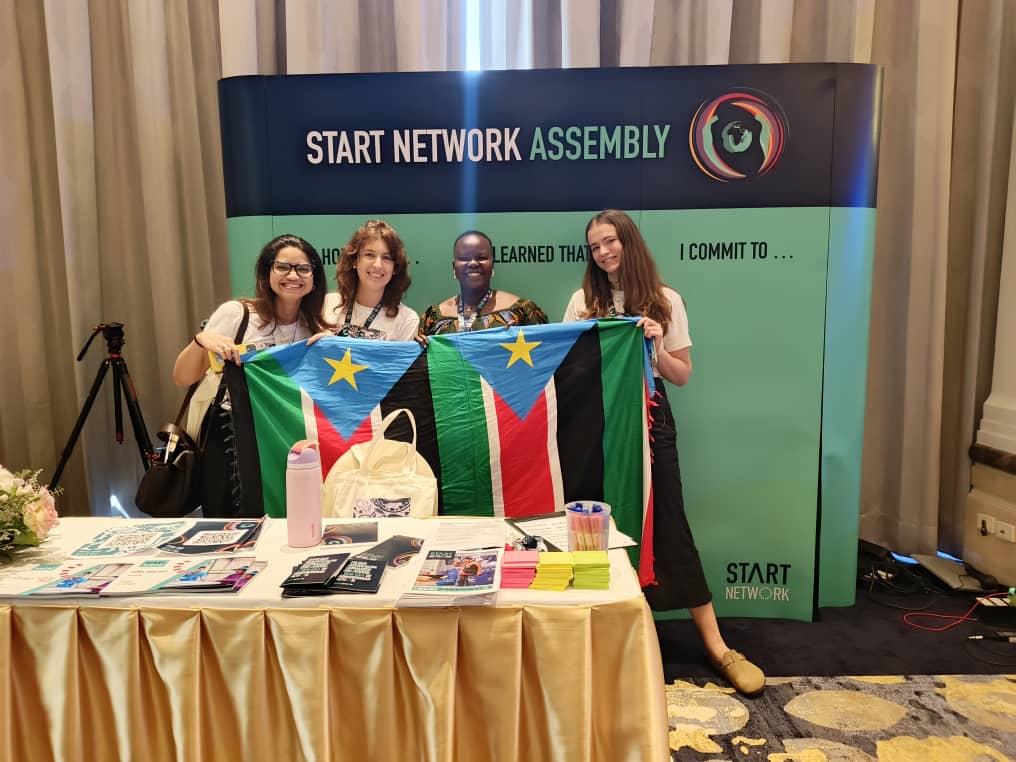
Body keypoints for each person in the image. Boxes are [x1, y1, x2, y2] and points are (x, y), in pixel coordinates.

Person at [562, 210, 765, 696]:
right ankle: (597, 636)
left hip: (651, 419)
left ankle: (717, 646)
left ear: (629, 241)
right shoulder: (581, 301)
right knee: (593, 525)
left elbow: (682, 374)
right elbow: (566, 365)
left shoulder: (665, 299)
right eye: (595, 246)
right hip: (596, 423)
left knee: (669, 520)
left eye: (610, 241)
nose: (603, 252)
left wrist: (654, 343)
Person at [173, 233, 329, 516]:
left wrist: (330, 348)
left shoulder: (315, 327)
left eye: (303, 269)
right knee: (231, 524)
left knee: (287, 515)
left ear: (314, 278)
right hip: (232, 437)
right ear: (267, 272)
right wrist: (200, 341)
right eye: (283, 267)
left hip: (286, 435)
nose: (293, 275)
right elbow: (182, 377)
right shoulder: (238, 314)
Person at [419, 230, 549, 335]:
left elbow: (545, 353)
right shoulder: (434, 318)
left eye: (481, 258)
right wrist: (420, 348)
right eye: (464, 258)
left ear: (492, 265)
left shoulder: (522, 312)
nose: (473, 263)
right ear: (454, 268)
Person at [320, 219, 419, 341]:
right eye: (369, 255)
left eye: (386, 257)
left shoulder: (407, 320)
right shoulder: (327, 305)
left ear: (395, 268)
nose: (378, 265)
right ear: (354, 261)